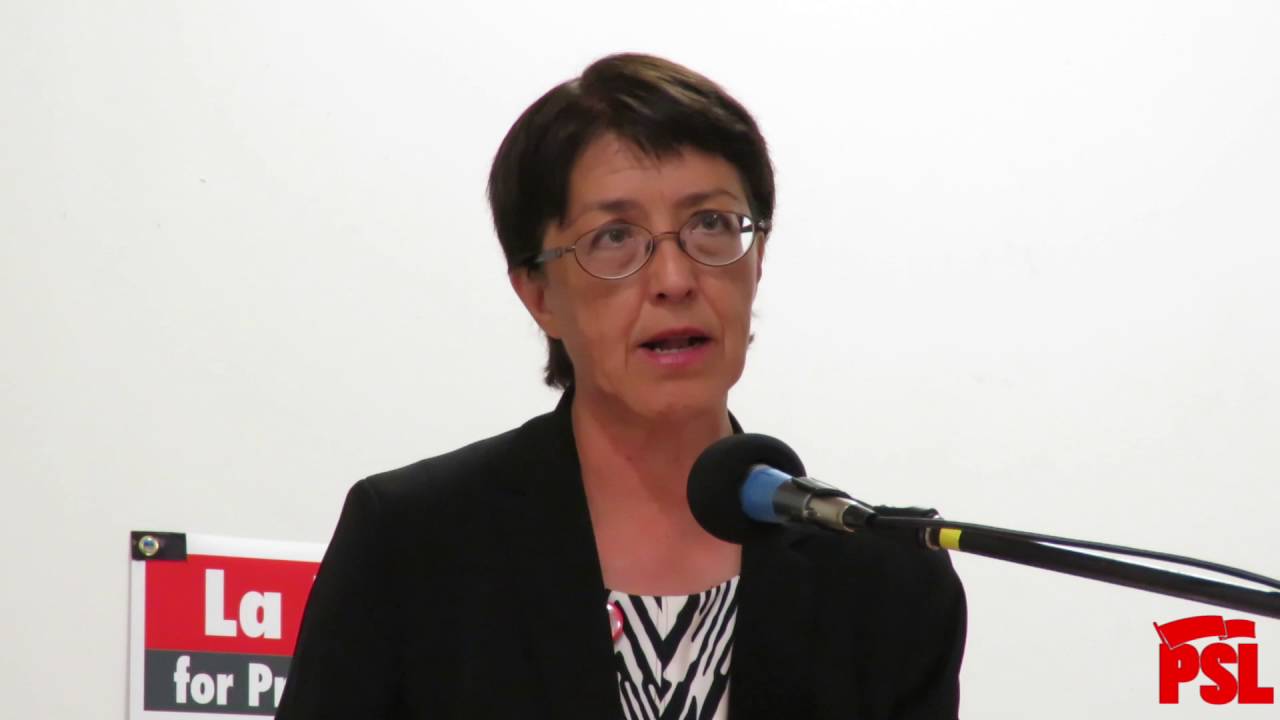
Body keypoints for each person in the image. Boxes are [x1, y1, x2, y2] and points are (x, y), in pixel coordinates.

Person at [275, 53, 965, 720]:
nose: (674, 279)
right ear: (538, 293)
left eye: (711, 224)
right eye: (614, 237)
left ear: (757, 260)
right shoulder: (413, 547)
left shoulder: (886, 583)